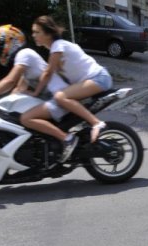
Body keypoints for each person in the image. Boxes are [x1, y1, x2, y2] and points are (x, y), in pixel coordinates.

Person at [21, 15, 112, 163]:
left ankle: (97, 123)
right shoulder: (55, 49)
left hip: (98, 77)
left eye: (37, 32)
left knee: (60, 97)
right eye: (33, 32)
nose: (33, 35)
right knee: (60, 98)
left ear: (48, 33)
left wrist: (35, 93)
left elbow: (48, 73)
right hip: (93, 79)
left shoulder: (58, 46)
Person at [0, 25, 67, 110]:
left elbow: (10, 81)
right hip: (51, 97)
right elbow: (18, 90)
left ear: (10, 41)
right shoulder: (24, 63)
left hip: (58, 96)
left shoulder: (24, 54)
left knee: (25, 119)